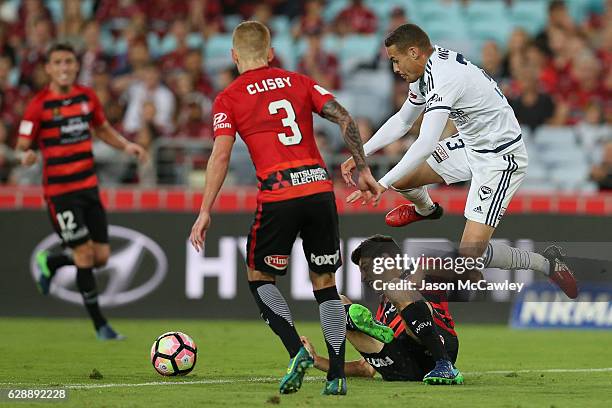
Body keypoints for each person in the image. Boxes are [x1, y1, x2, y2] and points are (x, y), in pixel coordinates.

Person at [188, 21, 380, 396]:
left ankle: (296, 350)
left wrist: (205, 209)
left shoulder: (228, 97)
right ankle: (337, 374)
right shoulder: (299, 82)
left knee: (259, 276)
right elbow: (345, 118)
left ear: (233, 56)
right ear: (271, 53)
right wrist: (364, 167)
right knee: (325, 284)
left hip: (279, 194)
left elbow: (221, 154)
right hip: (319, 189)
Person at [341, 24, 578, 300]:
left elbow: (426, 142)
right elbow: (403, 120)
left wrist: (380, 184)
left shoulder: (446, 77)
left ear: (414, 52)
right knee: (404, 180)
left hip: (499, 159)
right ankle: (427, 209)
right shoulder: (424, 70)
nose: (394, 68)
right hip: (469, 145)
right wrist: (361, 154)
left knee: (468, 259)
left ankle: (547, 263)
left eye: (395, 60)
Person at [16, 43, 147, 340]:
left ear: (76, 66)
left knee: (101, 256)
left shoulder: (87, 97)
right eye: (58, 62)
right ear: (48, 68)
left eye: (69, 61)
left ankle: (51, 261)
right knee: (85, 253)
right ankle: (101, 325)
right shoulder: (38, 105)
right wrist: (25, 154)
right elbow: (23, 143)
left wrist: (126, 145)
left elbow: (101, 129)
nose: (64, 67)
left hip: (89, 188)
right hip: (60, 194)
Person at [302, 235, 465, 384]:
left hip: (440, 347)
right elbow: (365, 368)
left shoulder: (423, 273)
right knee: (336, 302)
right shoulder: (384, 308)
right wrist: (315, 360)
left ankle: (445, 365)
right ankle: (354, 321)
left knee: (395, 287)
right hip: (404, 367)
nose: (363, 278)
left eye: (366, 268)